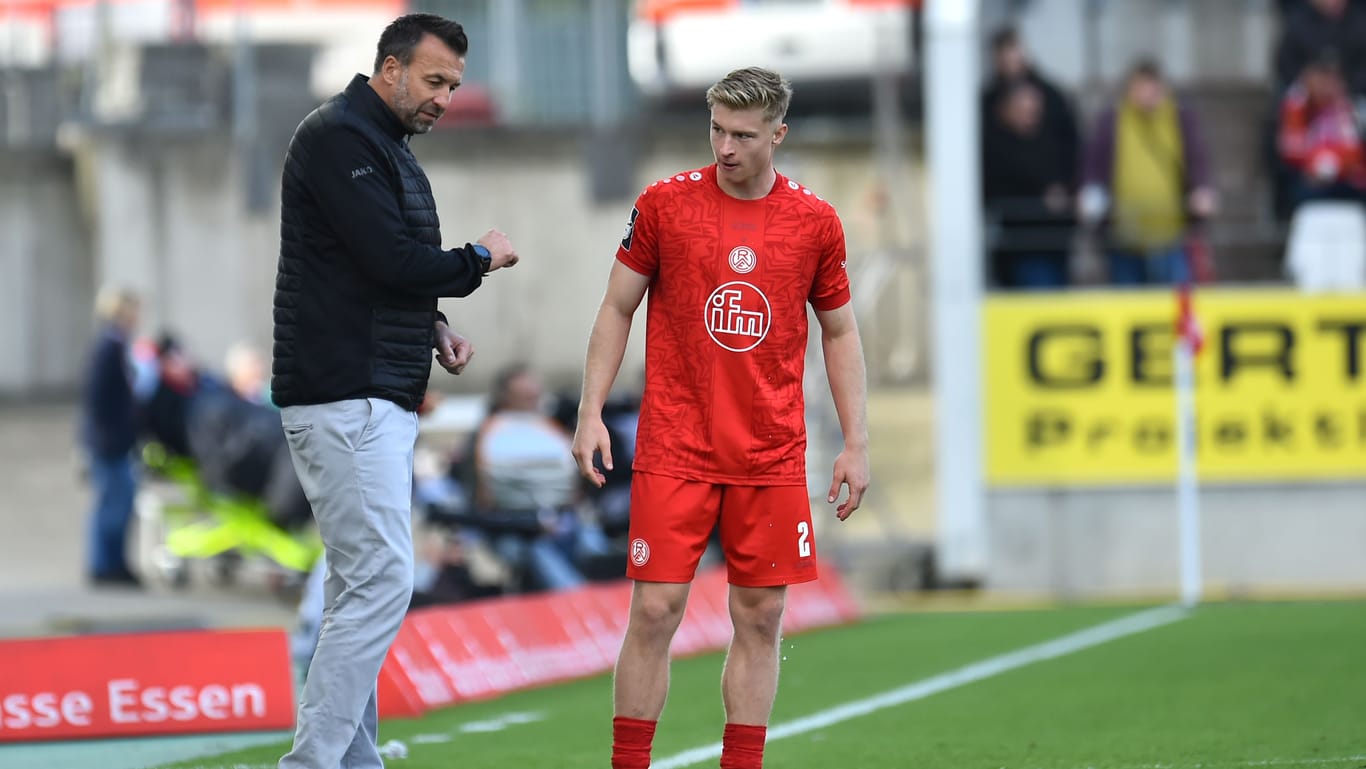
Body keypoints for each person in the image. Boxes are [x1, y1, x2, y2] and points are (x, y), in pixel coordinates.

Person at [571, 66, 870, 769]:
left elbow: (840, 332)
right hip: (677, 444)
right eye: (716, 129)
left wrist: (857, 441)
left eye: (742, 134)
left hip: (769, 451)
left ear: (778, 135)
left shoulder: (815, 222)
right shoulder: (664, 206)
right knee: (654, 611)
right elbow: (617, 308)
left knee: (761, 617)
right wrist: (590, 412)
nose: (725, 147)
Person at [269, 13, 519, 769]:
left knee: (359, 590)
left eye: (454, 85)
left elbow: (375, 265)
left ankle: (352, 760)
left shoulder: (383, 146)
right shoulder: (341, 137)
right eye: (435, 80)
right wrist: (477, 257)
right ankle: (314, 762)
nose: (444, 98)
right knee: (381, 582)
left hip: (373, 391)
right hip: (345, 394)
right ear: (390, 69)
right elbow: (389, 258)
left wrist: (433, 324)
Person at [1079, 58, 1218, 285]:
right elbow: (1096, 162)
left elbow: (1197, 157)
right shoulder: (1112, 118)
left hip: (1171, 236)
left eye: (1152, 87)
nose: (1146, 94)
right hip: (1123, 237)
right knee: (1128, 308)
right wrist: (1092, 192)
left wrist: (1203, 189)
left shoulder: (1179, 116)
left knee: (1174, 307)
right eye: (1140, 87)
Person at [982, 80, 1077, 289]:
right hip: (1022, 247)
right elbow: (996, 191)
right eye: (1023, 110)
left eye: (1034, 110)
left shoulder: (1051, 140)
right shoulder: (996, 147)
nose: (1030, 116)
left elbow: (1070, 174)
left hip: (1057, 244)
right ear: (1007, 111)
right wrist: (1044, 198)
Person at [79, 286, 142, 587]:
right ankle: (105, 566)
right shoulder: (109, 347)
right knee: (113, 504)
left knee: (118, 502)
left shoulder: (115, 346)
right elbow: (96, 399)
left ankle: (112, 563)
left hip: (113, 440)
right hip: (109, 442)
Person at [1278, 53, 1366, 207]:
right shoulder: (1296, 108)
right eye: (1321, 78)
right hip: (1308, 181)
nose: (1326, 85)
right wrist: (1316, 165)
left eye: (1332, 79)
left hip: (1348, 179)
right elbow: (1291, 151)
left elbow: (1354, 150)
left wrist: (1333, 164)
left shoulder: (1352, 108)